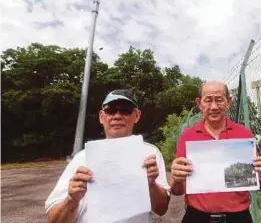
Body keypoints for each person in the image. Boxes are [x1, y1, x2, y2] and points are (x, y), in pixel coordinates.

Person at [45, 89, 170, 223]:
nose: (117, 116)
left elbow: (161, 209)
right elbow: (54, 220)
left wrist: (151, 185)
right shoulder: (82, 157)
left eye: (125, 110)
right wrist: (71, 200)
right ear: (101, 116)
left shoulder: (150, 154)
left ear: (137, 115)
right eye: (110, 110)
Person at [170, 80, 261, 223]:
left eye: (219, 100)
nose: (213, 106)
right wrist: (176, 178)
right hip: (196, 217)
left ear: (228, 102)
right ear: (200, 103)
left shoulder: (244, 135)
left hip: (238, 218)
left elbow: (259, 185)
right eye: (208, 100)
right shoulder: (188, 136)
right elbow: (177, 191)